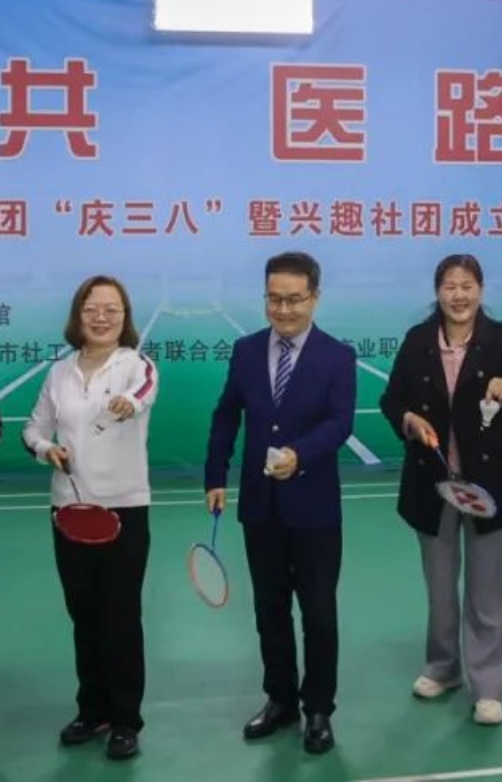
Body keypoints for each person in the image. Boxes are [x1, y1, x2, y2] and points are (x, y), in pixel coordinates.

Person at [204, 251, 355, 755]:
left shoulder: (337, 356)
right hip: (260, 506)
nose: (284, 309)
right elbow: (227, 414)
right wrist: (216, 474)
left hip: (315, 509)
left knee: (319, 613)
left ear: (315, 298)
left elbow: (340, 422)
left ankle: (319, 709)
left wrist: (300, 454)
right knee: (270, 609)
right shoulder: (246, 350)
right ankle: (281, 699)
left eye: (294, 299)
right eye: (274, 299)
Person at [379, 254, 502, 726]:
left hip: (490, 480)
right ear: (438, 291)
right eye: (450, 286)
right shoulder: (417, 340)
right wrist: (408, 420)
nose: (459, 295)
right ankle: (442, 668)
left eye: (467, 285)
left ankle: (488, 686)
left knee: (490, 589)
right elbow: (392, 400)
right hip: (432, 481)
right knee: (440, 586)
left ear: (481, 291)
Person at [24, 276, 158, 760]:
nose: (101, 318)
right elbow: (33, 429)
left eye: (111, 310)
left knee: (120, 615)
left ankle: (125, 719)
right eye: (92, 309)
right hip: (69, 509)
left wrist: (129, 402)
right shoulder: (59, 373)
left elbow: (144, 392)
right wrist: (46, 449)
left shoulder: (136, 365)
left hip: (124, 508)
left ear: (125, 318)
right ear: (78, 316)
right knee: (83, 614)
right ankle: (93, 709)